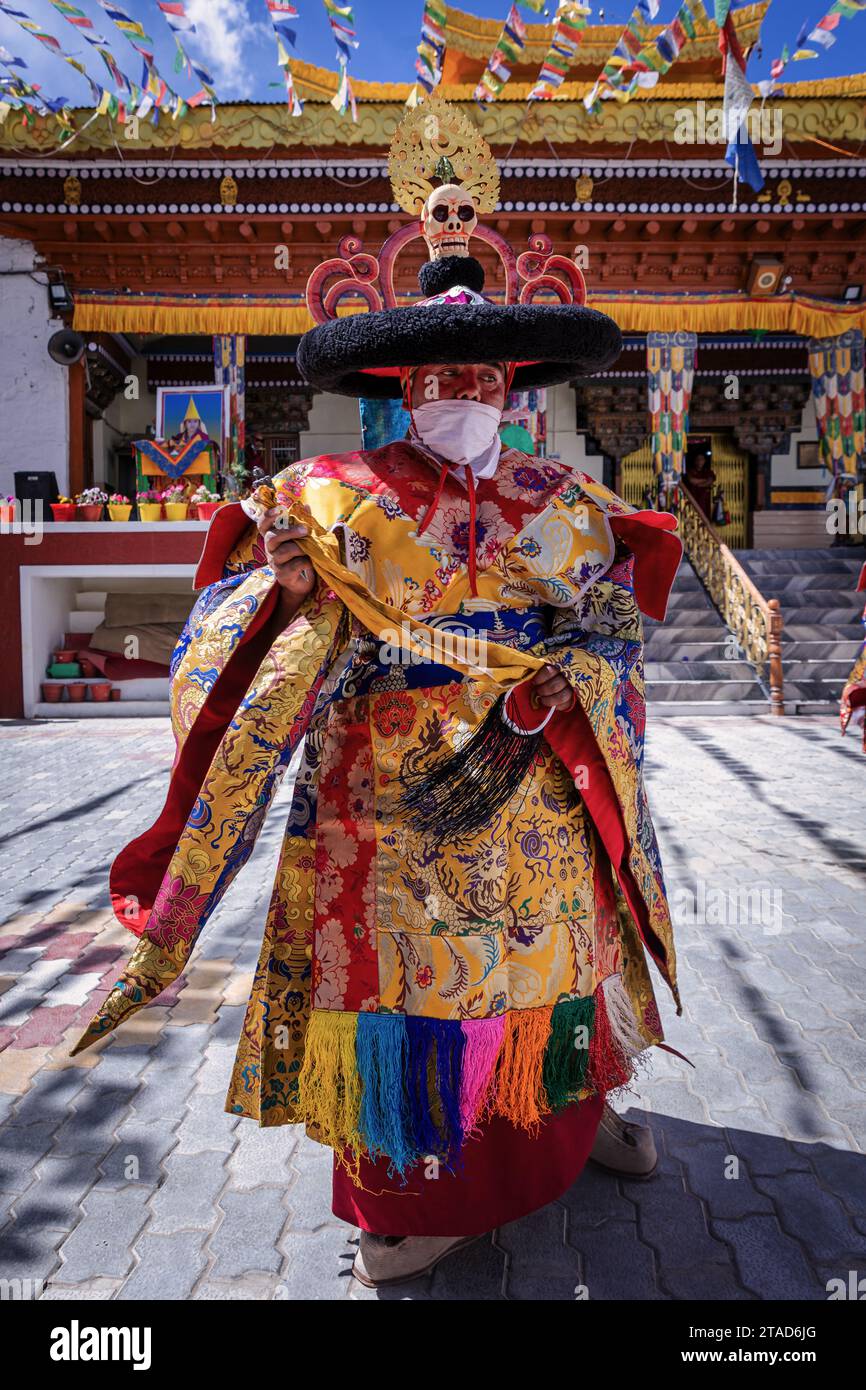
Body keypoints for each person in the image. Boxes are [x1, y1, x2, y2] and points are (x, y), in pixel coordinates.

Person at [70, 101, 684, 1288]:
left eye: (484, 373)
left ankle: (583, 1095)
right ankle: (416, 1194)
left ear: (515, 383)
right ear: (400, 381)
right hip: (385, 799)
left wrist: (583, 668)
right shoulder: (320, 492)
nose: (462, 389)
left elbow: (614, 628)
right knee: (411, 990)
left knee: (565, 955)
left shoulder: (568, 498)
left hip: (543, 777)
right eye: (439, 372)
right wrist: (277, 599)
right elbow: (224, 635)